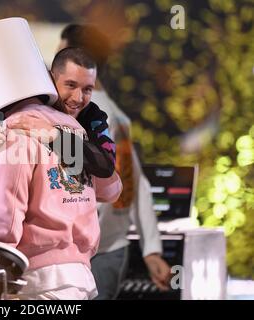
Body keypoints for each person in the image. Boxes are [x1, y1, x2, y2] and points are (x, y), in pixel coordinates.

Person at [0, 17, 122, 299]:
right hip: (80, 277)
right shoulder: (75, 128)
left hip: (36, 281)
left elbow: (6, 222)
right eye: (70, 85)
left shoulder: (14, 132)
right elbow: (111, 187)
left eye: (86, 88)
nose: (78, 97)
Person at [57, 23, 171, 299]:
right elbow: (135, 180)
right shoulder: (117, 115)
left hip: (80, 252)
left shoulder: (77, 115)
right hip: (111, 247)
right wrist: (151, 248)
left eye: (61, 52)